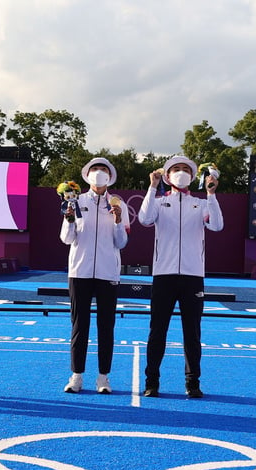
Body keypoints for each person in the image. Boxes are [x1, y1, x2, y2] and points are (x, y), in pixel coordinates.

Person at [138, 156, 223, 398]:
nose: (181, 172)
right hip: (163, 275)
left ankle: (192, 382)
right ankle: (151, 382)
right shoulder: (157, 201)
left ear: (193, 177)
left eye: (186, 169)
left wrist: (212, 195)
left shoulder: (201, 203)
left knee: (192, 332)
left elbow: (217, 225)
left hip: (193, 276)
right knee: (157, 332)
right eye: (176, 169)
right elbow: (144, 219)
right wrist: (152, 187)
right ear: (167, 175)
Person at [60, 157, 130, 394]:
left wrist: (118, 220)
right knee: (80, 325)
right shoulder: (76, 201)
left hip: (108, 272)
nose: (99, 173)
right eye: (95, 169)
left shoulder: (118, 203)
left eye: (103, 170)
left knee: (106, 326)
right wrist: (69, 218)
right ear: (87, 175)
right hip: (79, 271)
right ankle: (76, 376)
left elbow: (121, 242)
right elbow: (67, 239)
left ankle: (103, 377)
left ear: (110, 176)